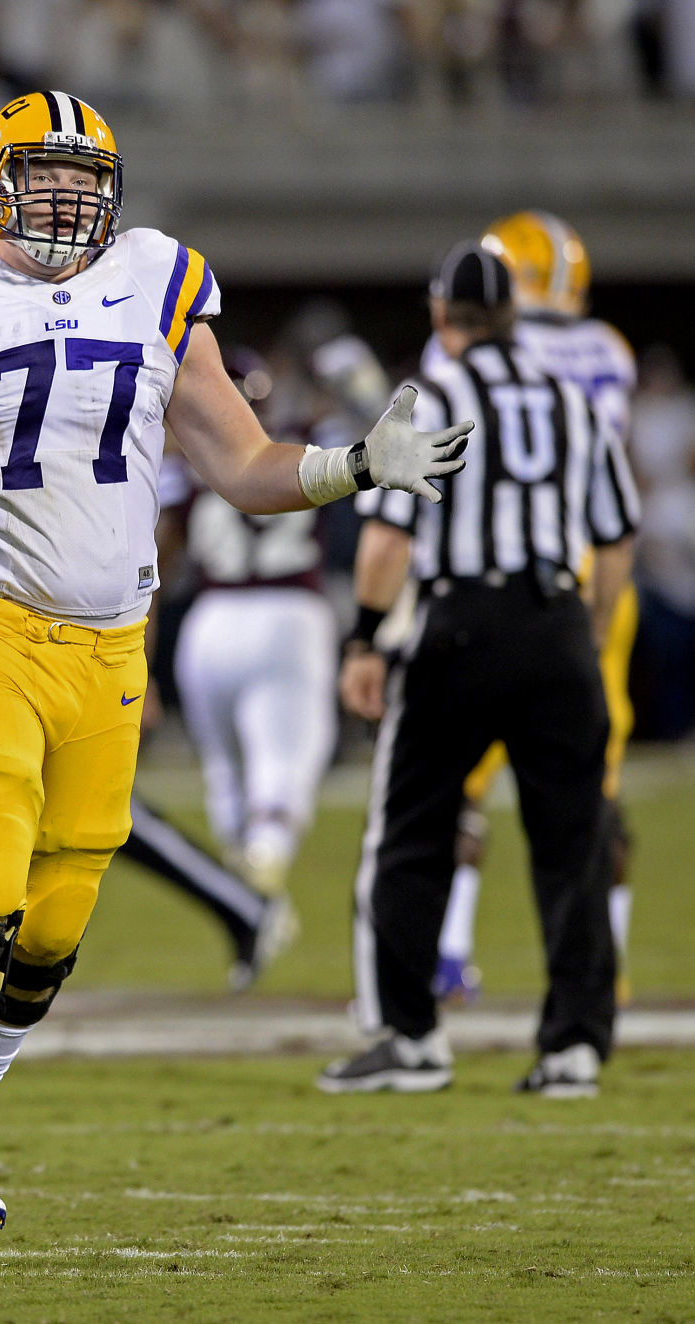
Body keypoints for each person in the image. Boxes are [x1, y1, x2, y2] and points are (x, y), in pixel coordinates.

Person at [0, 90, 470, 1245]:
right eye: (43, 177)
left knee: (51, 925)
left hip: (110, 644)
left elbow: (239, 463)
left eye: (84, 181)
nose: (67, 200)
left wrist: (351, 465)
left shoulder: (158, 276)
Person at [319, 241, 639, 1100]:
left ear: (439, 314)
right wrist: (586, 630)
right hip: (557, 621)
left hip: (461, 624)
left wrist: (363, 640)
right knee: (573, 837)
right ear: (513, 314)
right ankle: (572, 1046)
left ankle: (411, 1035)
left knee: (412, 830)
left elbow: (389, 535)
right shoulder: (574, 398)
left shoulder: (435, 395)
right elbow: (614, 534)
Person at [425, 212, 641, 1008]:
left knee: (451, 778)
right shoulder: (609, 353)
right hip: (592, 574)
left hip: (486, 572)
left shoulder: (468, 354)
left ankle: (445, 955)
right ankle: (602, 967)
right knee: (591, 779)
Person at [124, 349, 339, 991]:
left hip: (210, 624)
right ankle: (261, 870)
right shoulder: (305, 442)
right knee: (287, 760)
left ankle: (243, 882)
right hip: (292, 613)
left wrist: (141, 659)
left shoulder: (184, 467)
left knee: (224, 769)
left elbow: (154, 561)